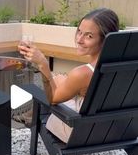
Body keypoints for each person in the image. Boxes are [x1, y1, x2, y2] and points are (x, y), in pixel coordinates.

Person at [18, 8, 119, 142]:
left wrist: (43, 63)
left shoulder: (83, 73)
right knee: (61, 80)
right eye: (79, 32)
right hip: (115, 130)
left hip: (81, 133)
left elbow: (52, 99)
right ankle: (27, 114)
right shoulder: (124, 66)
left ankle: (26, 116)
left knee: (52, 88)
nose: (79, 39)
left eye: (89, 36)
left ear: (105, 39)